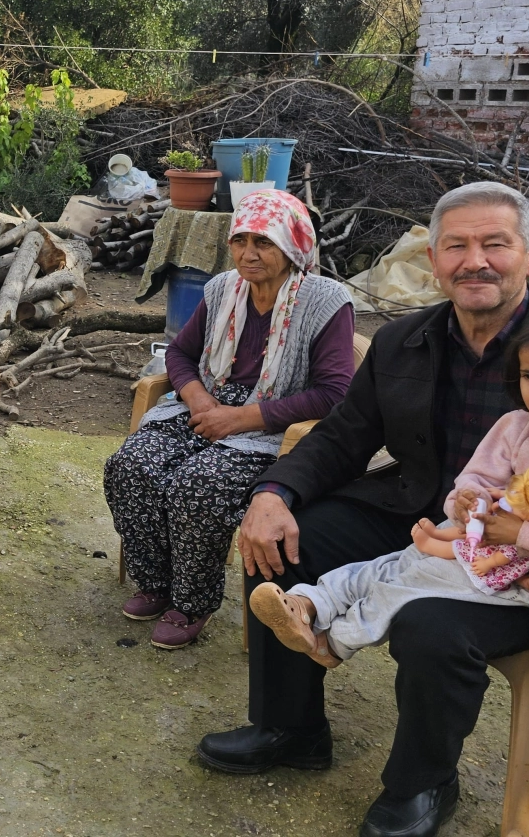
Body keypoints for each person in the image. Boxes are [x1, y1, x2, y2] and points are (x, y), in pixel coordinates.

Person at [199, 182, 529, 837]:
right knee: (290, 539)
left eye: (495, 244)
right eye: (456, 246)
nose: (475, 261)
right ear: (432, 260)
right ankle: (288, 729)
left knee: (429, 626)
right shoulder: (403, 339)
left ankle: (420, 783)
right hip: (424, 514)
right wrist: (273, 493)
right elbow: (344, 435)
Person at [251, 309, 529, 669]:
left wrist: (522, 534)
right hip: (488, 539)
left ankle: (333, 642)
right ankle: (309, 604)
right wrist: (466, 500)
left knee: (410, 585)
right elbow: (479, 476)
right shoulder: (518, 424)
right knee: (394, 564)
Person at [102, 189, 355, 648]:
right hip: (206, 404)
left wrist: (240, 420)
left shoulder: (325, 300)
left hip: (273, 426)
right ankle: (155, 582)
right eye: (240, 241)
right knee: (131, 465)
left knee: (200, 483)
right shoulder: (222, 288)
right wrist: (198, 399)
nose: (247, 254)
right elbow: (180, 352)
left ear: (293, 246)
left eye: (263, 243)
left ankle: (191, 603)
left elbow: (334, 393)